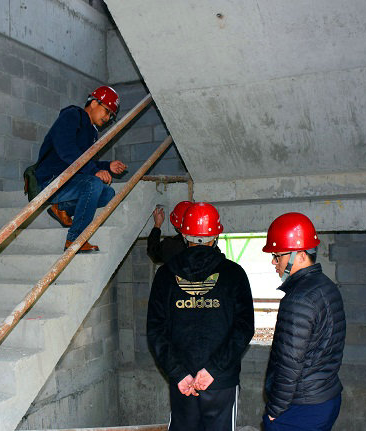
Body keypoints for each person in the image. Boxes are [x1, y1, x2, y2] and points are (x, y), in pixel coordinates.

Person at [147, 202, 254, 431]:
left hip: (183, 383)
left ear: (184, 235)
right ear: (216, 235)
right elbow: (244, 328)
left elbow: (156, 331)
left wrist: (179, 372)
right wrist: (213, 370)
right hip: (220, 382)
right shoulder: (234, 274)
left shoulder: (165, 275)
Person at [261, 212, 346, 431]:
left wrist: (275, 410)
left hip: (302, 406)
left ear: (300, 256)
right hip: (326, 396)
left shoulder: (298, 299)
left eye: (278, 256)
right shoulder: (326, 286)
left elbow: (289, 364)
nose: (274, 262)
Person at [34, 86, 127, 252]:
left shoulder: (92, 133)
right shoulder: (72, 115)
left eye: (111, 116)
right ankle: (75, 239)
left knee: (108, 194)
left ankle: (62, 208)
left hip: (69, 181)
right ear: (94, 103)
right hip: (52, 179)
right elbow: (66, 149)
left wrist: (107, 166)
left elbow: (86, 162)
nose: (107, 118)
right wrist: (94, 171)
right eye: (107, 111)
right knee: (93, 184)